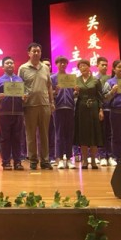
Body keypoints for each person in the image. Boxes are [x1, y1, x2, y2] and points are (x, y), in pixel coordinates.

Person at [18, 42, 54, 170]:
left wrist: (52, 102)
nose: (36, 53)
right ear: (29, 53)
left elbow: (49, 86)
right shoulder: (23, 68)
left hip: (44, 104)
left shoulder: (45, 68)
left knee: (44, 134)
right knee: (31, 134)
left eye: (38, 51)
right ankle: (33, 160)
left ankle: (45, 160)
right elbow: (19, 86)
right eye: (34, 51)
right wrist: (22, 96)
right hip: (30, 105)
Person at [0, 56, 25, 171]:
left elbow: (24, 94)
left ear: (14, 65)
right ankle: (6, 162)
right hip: (4, 113)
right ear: (3, 67)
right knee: (4, 138)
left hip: (18, 113)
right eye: (7, 63)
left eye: (11, 63)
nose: (10, 65)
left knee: (17, 138)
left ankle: (17, 162)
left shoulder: (19, 80)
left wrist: (25, 97)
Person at [73, 59, 104, 169]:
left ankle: (94, 160)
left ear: (89, 66)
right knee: (83, 134)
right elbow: (73, 96)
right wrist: (75, 92)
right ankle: (85, 160)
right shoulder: (76, 80)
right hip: (81, 108)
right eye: (80, 66)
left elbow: (100, 96)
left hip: (94, 107)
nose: (83, 68)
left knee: (94, 134)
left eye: (84, 65)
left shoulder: (96, 80)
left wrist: (101, 110)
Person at [50, 56, 76, 169]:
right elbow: (49, 93)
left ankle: (69, 158)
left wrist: (76, 91)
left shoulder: (70, 78)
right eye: (60, 63)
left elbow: (74, 94)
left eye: (64, 63)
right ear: (56, 64)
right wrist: (55, 91)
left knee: (69, 134)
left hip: (69, 107)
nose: (62, 65)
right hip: (58, 108)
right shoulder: (52, 78)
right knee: (59, 134)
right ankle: (59, 158)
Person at [95, 56, 115, 166]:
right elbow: (97, 96)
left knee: (110, 133)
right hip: (100, 109)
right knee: (101, 133)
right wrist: (100, 109)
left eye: (106, 65)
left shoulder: (111, 79)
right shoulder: (95, 79)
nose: (105, 67)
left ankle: (110, 155)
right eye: (102, 65)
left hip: (111, 109)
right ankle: (101, 155)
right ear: (97, 66)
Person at [41, 58, 56, 165]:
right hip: (41, 106)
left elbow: (52, 92)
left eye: (49, 65)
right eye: (45, 65)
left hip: (52, 108)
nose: (47, 66)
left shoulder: (55, 77)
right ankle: (42, 156)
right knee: (42, 133)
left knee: (52, 133)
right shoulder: (40, 76)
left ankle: (52, 156)